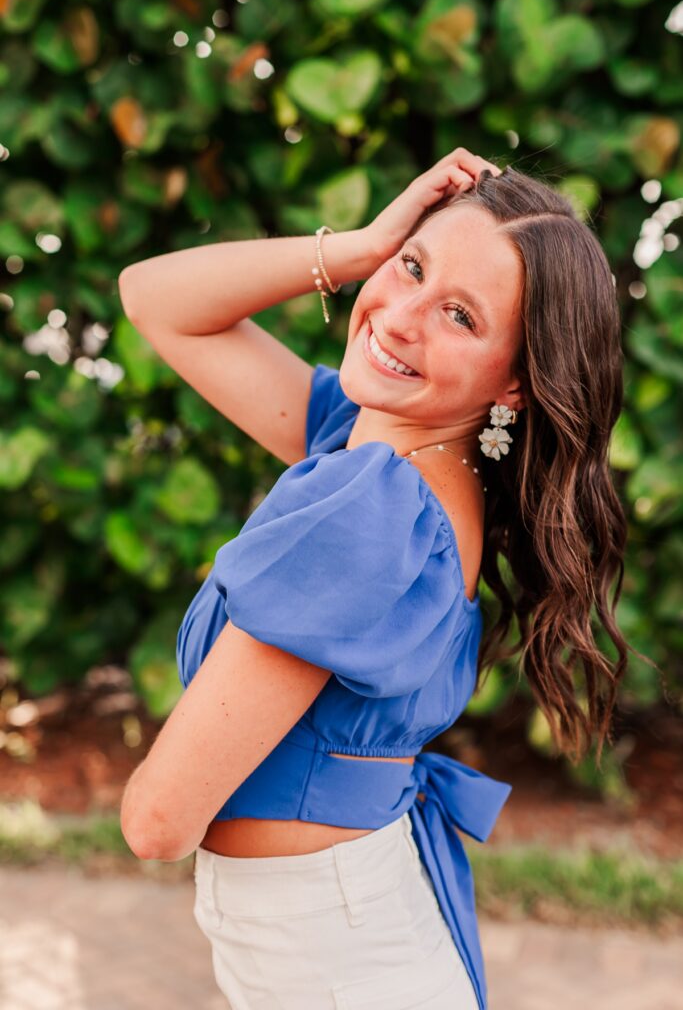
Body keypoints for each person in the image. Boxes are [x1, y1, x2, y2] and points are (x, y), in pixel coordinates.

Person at [118, 148, 651, 1010]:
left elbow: (158, 821)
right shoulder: (386, 444)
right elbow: (154, 300)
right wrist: (360, 246)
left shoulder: (367, 507)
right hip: (345, 930)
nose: (398, 318)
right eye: (411, 266)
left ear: (514, 382)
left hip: (333, 966)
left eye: (458, 316)